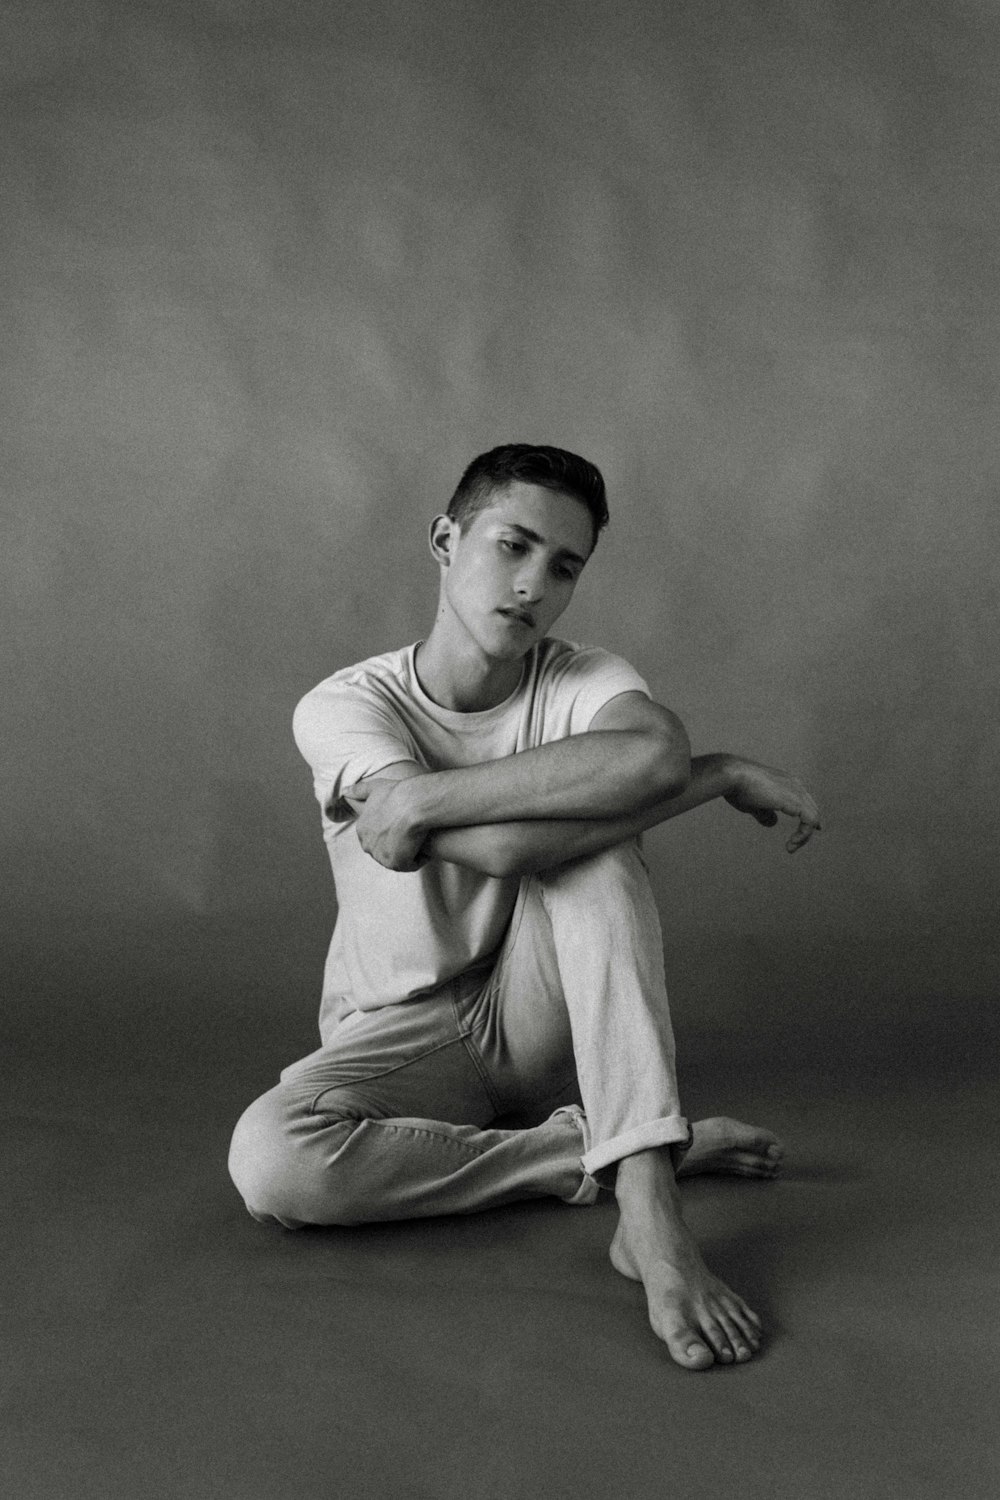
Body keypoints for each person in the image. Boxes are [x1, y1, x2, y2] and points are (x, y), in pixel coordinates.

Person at [228, 444, 821, 1371]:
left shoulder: (582, 678)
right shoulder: (347, 706)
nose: (533, 584)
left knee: (597, 861)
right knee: (273, 1163)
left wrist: (422, 800)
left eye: (564, 566)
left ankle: (653, 1222)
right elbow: (505, 848)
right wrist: (715, 778)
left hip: (539, 1016)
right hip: (397, 1039)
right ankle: (620, 1156)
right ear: (445, 538)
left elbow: (654, 756)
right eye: (513, 546)